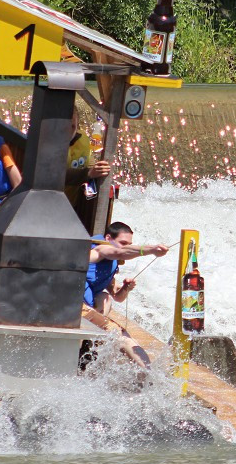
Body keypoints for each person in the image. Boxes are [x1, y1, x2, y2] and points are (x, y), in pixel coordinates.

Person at [82, 222, 169, 367]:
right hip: (74, 308)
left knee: (105, 298)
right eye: (122, 243)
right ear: (108, 238)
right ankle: (148, 374)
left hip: (88, 311)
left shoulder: (110, 263)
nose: (126, 247)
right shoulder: (100, 248)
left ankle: (93, 348)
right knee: (122, 337)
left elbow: (117, 296)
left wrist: (126, 288)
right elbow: (120, 252)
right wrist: (151, 249)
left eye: (129, 244)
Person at [64, 109, 110, 208]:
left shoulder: (83, 139)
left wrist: (97, 170)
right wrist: (88, 173)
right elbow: (56, 174)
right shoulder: (48, 144)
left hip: (71, 206)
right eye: (65, 126)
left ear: (77, 126)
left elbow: (89, 163)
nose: (68, 131)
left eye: (72, 126)